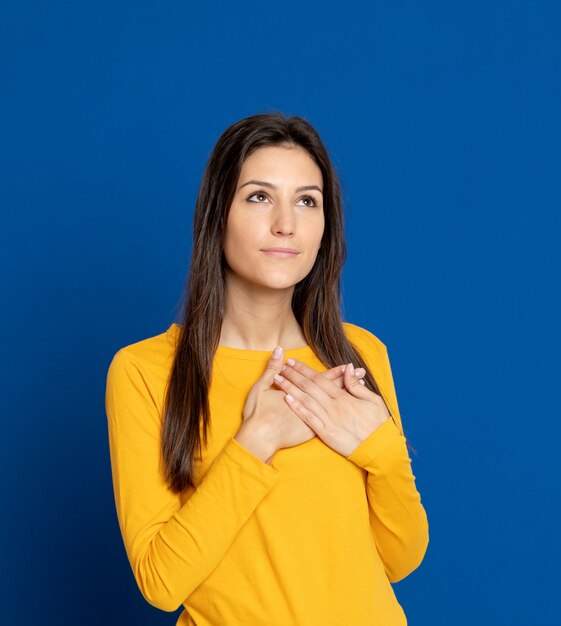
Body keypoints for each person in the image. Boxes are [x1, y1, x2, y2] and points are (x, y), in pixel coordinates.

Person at [105, 112, 429, 626]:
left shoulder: (359, 355)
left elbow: (400, 558)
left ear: (326, 225)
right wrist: (254, 443)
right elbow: (161, 583)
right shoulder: (146, 371)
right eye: (259, 196)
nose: (286, 223)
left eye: (307, 200)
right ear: (217, 214)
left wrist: (384, 452)